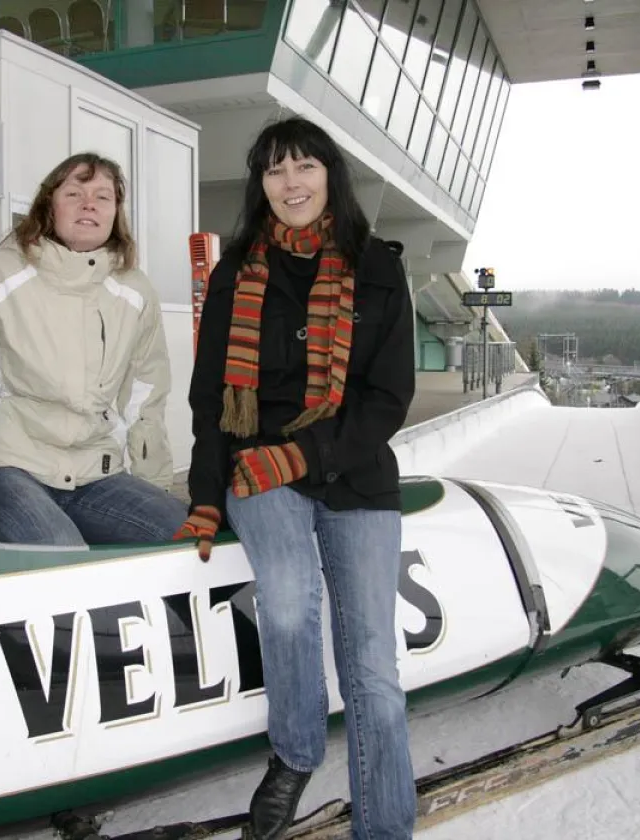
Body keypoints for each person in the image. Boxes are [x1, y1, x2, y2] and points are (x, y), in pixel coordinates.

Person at [175, 116, 418, 840]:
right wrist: (203, 495)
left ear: (329, 176)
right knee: (286, 603)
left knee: (373, 667)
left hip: (356, 473)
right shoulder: (236, 271)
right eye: (275, 171)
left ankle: (386, 829)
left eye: (304, 167)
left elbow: (388, 397)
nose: (291, 183)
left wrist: (307, 454)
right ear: (261, 185)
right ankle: (297, 754)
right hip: (259, 471)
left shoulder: (377, 267)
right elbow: (210, 397)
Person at [0, 153, 187, 546]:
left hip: (95, 471)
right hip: (7, 465)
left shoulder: (134, 290)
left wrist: (154, 483)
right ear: (48, 205)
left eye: (103, 197)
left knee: (188, 540)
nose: (89, 205)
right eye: (74, 193)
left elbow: (145, 396)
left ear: (116, 212)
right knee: (62, 556)